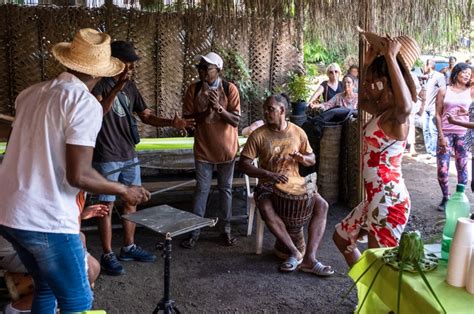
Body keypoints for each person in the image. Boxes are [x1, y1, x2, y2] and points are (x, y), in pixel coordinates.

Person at [0, 28, 150, 313]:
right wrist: (124, 190)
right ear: (101, 73)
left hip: (8, 213)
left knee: (46, 287)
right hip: (44, 218)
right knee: (78, 300)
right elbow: (79, 175)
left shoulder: (30, 94)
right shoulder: (84, 103)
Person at [91, 41, 194, 276]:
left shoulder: (131, 87)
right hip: (106, 154)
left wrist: (171, 123)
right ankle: (107, 254)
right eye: (127, 63)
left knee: (132, 201)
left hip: (129, 153)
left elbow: (146, 116)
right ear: (114, 62)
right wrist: (117, 87)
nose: (131, 68)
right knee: (105, 206)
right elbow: (98, 113)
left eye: (132, 64)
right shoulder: (99, 84)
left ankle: (128, 247)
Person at [333, 31, 420, 267]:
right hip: (376, 197)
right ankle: (367, 295)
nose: (371, 87)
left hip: (388, 200)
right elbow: (361, 102)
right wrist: (369, 62)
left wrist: (391, 58)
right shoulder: (382, 111)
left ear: (391, 84)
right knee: (341, 237)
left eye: (377, 83)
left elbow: (406, 105)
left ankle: (375, 302)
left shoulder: (397, 116)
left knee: (380, 266)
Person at [239, 94, 334, 276]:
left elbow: (312, 158)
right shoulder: (258, 135)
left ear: (282, 111)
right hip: (268, 183)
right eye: (265, 109)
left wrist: (303, 158)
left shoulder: (298, 132)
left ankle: (310, 258)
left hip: (298, 180)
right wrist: (268, 174)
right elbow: (243, 164)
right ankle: (294, 252)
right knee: (265, 207)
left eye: (271, 109)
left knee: (322, 205)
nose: (266, 112)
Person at [180, 52, 241, 249]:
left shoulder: (229, 89)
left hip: (226, 150)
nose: (202, 71)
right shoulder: (194, 89)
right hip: (204, 149)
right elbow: (188, 120)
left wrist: (219, 108)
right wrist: (207, 110)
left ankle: (226, 230)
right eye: (201, 67)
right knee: (202, 190)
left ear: (218, 70)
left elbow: (236, 120)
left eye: (207, 68)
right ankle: (194, 232)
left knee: (226, 190)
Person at [1, 204, 108, 314]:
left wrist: (78, 216)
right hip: (15, 246)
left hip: (22, 234)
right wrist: (122, 191)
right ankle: (16, 308)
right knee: (79, 291)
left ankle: (57, 299)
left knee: (48, 287)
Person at [434, 62, 473, 211]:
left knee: (462, 167)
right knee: (442, 168)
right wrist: (440, 136)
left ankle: (459, 197)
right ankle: (446, 197)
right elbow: (438, 114)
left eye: (469, 74)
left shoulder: (471, 91)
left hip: (464, 134)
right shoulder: (444, 90)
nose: (467, 75)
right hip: (446, 133)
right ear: (456, 73)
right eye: (464, 72)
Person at [417, 59, 446, 157]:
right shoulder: (427, 77)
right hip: (426, 108)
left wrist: (439, 108)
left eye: (423, 65)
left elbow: (443, 92)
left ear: (428, 65)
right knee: (425, 129)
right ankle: (429, 150)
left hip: (434, 108)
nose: (422, 68)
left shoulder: (439, 76)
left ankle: (433, 152)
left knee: (433, 130)